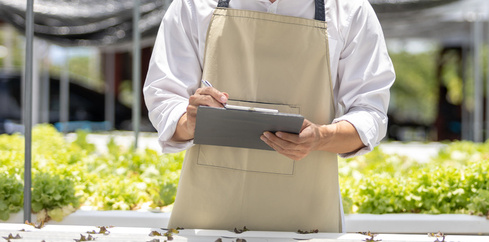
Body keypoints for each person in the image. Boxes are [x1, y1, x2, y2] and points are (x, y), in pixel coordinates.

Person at [143, 0, 394, 233]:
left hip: (306, 219)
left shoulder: (350, 10)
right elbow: (164, 97)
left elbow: (370, 113)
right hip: (207, 219)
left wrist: (322, 137)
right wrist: (190, 122)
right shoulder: (193, 5)